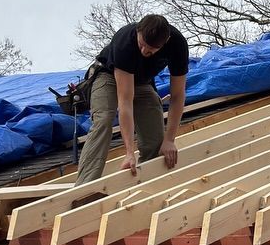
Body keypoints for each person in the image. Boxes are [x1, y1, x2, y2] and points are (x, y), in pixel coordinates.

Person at [73, 13, 190, 185]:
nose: (144, 51)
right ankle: (85, 186)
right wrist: (129, 152)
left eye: (151, 50)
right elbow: (125, 102)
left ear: (165, 43)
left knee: (157, 142)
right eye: (142, 45)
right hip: (108, 76)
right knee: (104, 119)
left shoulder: (178, 45)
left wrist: (170, 140)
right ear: (138, 31)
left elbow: (178, 96)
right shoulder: (124, 42)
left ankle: (144, 184)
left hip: (142, 82)